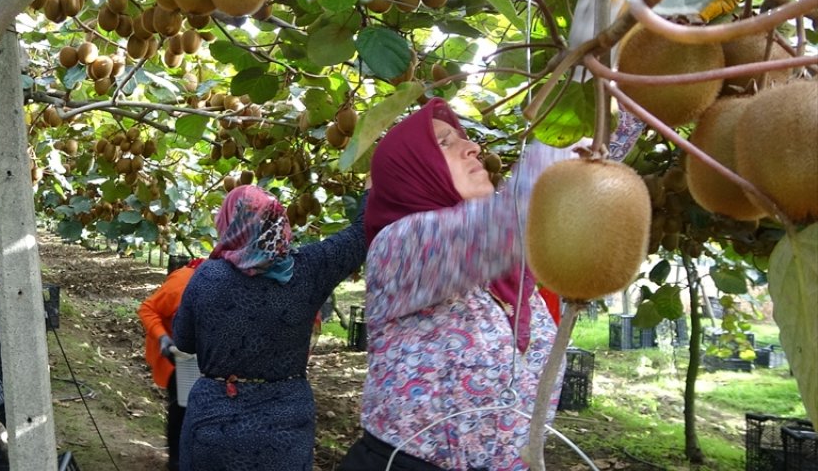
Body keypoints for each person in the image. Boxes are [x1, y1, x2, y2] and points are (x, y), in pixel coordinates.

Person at [337, 98, 637, 471]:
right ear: (413, 171)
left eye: (464, 137)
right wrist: (571, 97)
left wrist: (623, 90)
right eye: (445, 143)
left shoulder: (506, 273)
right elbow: (528, 206)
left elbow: (585, 176)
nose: (473, 146)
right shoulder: (399, 248)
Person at [171, 184, 368, 471]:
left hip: (214, 421)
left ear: (230, 223)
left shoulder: (207, 277)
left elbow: (184, 340)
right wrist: (373, 186)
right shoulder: (309, 269)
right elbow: (361, 235)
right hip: (285, 427)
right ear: (280, 221)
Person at [138, 254, 205, 470]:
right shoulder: (182, 283)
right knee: (181, 406)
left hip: (206, 355)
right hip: (178, 355)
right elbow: (148, 309)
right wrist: (162, 337)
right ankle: (175, 460)